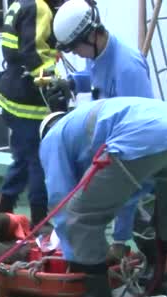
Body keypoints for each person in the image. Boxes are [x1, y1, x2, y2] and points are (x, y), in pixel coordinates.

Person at [39, 97, 167, 297]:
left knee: (81, 216)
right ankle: (160, 286)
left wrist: (74, 257)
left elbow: (61, 200)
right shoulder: (87, 123)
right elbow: (127, 195)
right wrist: (119, 241)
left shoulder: (52, 138)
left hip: (143, 137)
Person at [48, 0, 156, 262]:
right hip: (112, 141)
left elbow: (137, 141)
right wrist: (71, 83)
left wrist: (119, 241)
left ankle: (151, 264)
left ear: (91, 35)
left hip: (139, 153)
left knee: (134, 203)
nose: (76, 54)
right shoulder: (98, 54)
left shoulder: (128, 67)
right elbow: (94, 78)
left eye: (75, 48)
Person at [0, 0, 64, 228]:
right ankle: (40, 221)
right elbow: (33, 53)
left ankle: (2, 211)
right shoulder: (39, 7)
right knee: (39, 162)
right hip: (31, 103)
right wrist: (54, 82)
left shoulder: (23, 3)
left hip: (14, 95)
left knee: (22, 157)